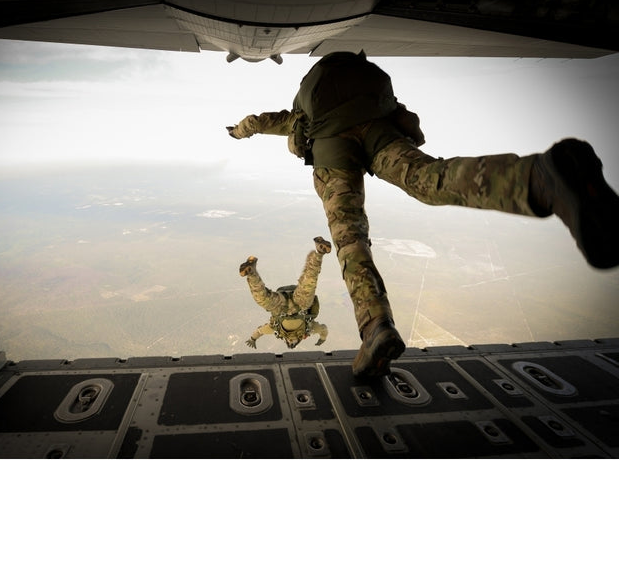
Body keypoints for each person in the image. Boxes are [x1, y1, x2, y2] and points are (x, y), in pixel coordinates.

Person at [226, 50, 619, 378]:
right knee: (427, 178)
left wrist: (238, 132)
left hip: (332, 148)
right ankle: (541, 176)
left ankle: (376, 327)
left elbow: (259, 122)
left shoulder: (298, 115)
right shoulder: (352, 90)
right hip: (377, 124)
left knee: (349, 237)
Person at [240, 236, 331, 350]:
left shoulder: (276, 329)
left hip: (281, 307)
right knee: (309, 283)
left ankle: (251, 272)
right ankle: (319, 253)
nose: (291, 341)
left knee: (262, 299)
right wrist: (322, 339)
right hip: (301, 306)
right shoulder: (309, 329)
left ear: (285, 340)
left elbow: (260, 331)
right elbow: (324, 329)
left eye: (289, 343)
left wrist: (253, 339)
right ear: (299, 340)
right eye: (294, 343)